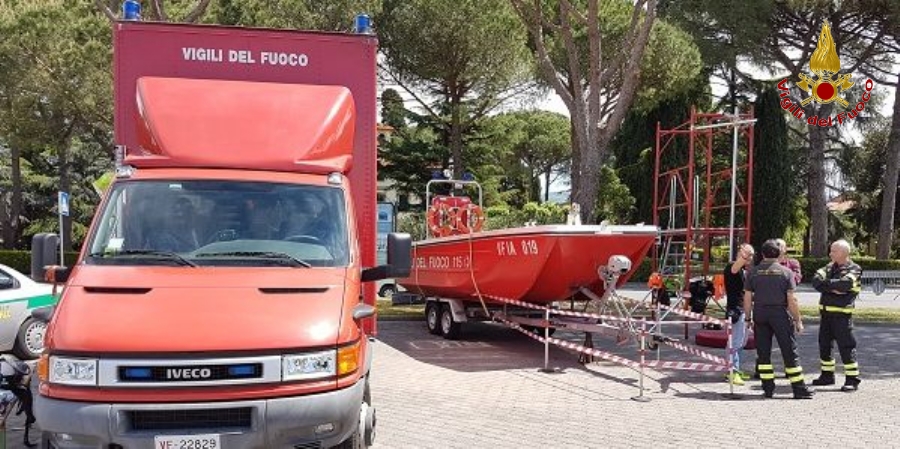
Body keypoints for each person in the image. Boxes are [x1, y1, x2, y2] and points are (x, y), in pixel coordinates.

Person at [743, 239, 813, 399]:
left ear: (762, 254)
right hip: (779, 314)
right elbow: (791, 300)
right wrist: (798, 320)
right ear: (779, 254)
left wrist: (748, 318)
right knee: (789, 351)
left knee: (763, 353)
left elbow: (747, 298)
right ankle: (798, 388)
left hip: (760, 314)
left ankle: (768, 388)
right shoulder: (786, 272)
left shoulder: (753, 272)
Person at [811, 239, 863, 392]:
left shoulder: (854, 269)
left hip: (842, 316)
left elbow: (845, 285)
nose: (830, 253)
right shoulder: (828, 267)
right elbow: (815, 281)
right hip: (826, 315)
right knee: (825, 345)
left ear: (843, 253)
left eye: (833, 251)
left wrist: (826, 285)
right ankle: (827, 376)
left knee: (846, 347)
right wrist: (832, 286)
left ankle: (852, 379)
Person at [723, 243, 754, 385]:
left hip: (744, 311)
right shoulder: (731, 268)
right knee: (735, 342)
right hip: (735, 310)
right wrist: (743, 256)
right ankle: (732, 371)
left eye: (752, 255)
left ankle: (736, 369)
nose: (750, 258)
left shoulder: (744, 271)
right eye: (748, 255)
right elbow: (736, 267)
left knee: (741, 342)